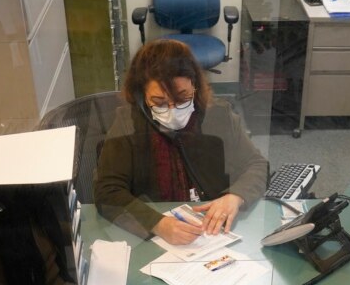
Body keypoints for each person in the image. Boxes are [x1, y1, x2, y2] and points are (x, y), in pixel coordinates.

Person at [94, 39, 268, 245]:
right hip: (154, 238)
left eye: (183, 98)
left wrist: (236, 196)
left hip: (213, 234)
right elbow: (107, 191)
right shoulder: (128, 125)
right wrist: (157, 223)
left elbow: (257, 165)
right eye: (159, 102)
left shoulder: (219, 116)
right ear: (141, 95)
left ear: (194, 86)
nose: (173, 109)